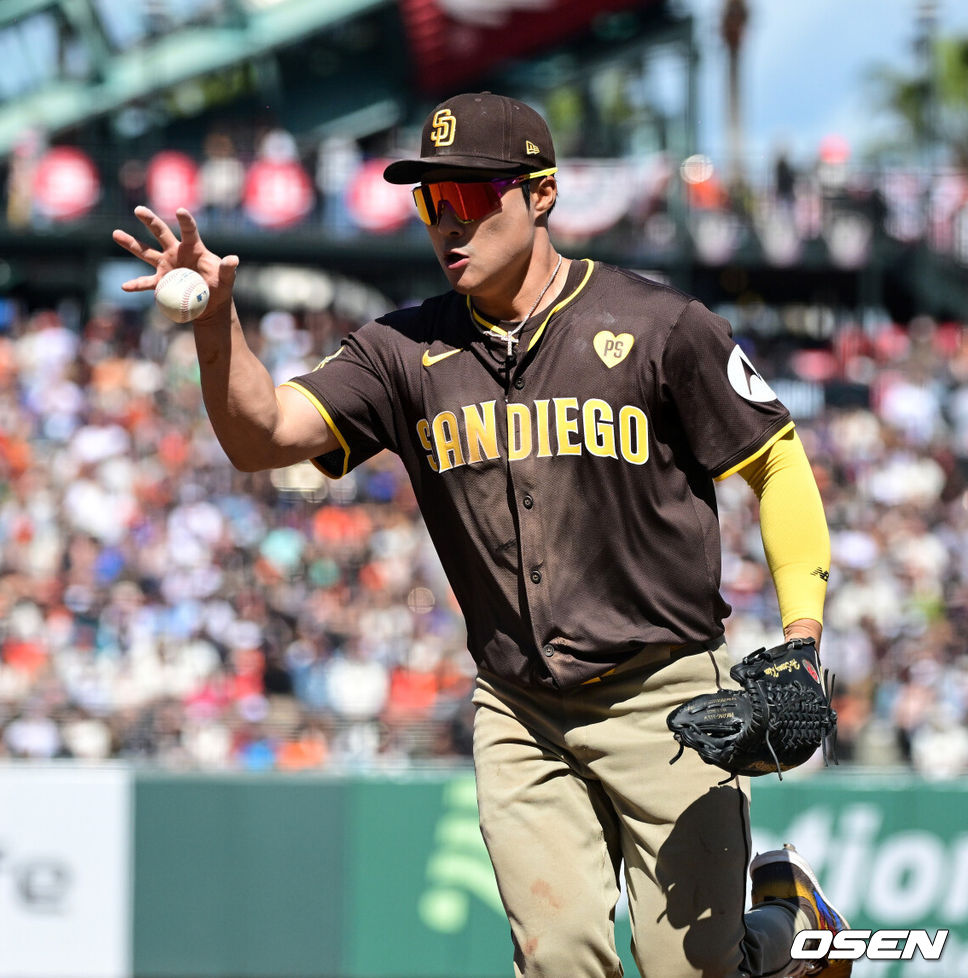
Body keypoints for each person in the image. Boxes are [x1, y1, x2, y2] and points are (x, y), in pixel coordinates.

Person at [114, 92, 848, 978]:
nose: (448, 221)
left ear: (540, 194)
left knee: (697, 970)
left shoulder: (657, 326)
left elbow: (775, 461)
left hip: (666, 694)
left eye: (472, 198)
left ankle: (794, 927)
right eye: (432, 200)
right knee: (558, 959)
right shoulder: (401, 351)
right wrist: (216, 325)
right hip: (522, 708)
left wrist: (803, 640)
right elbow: (260, 434)